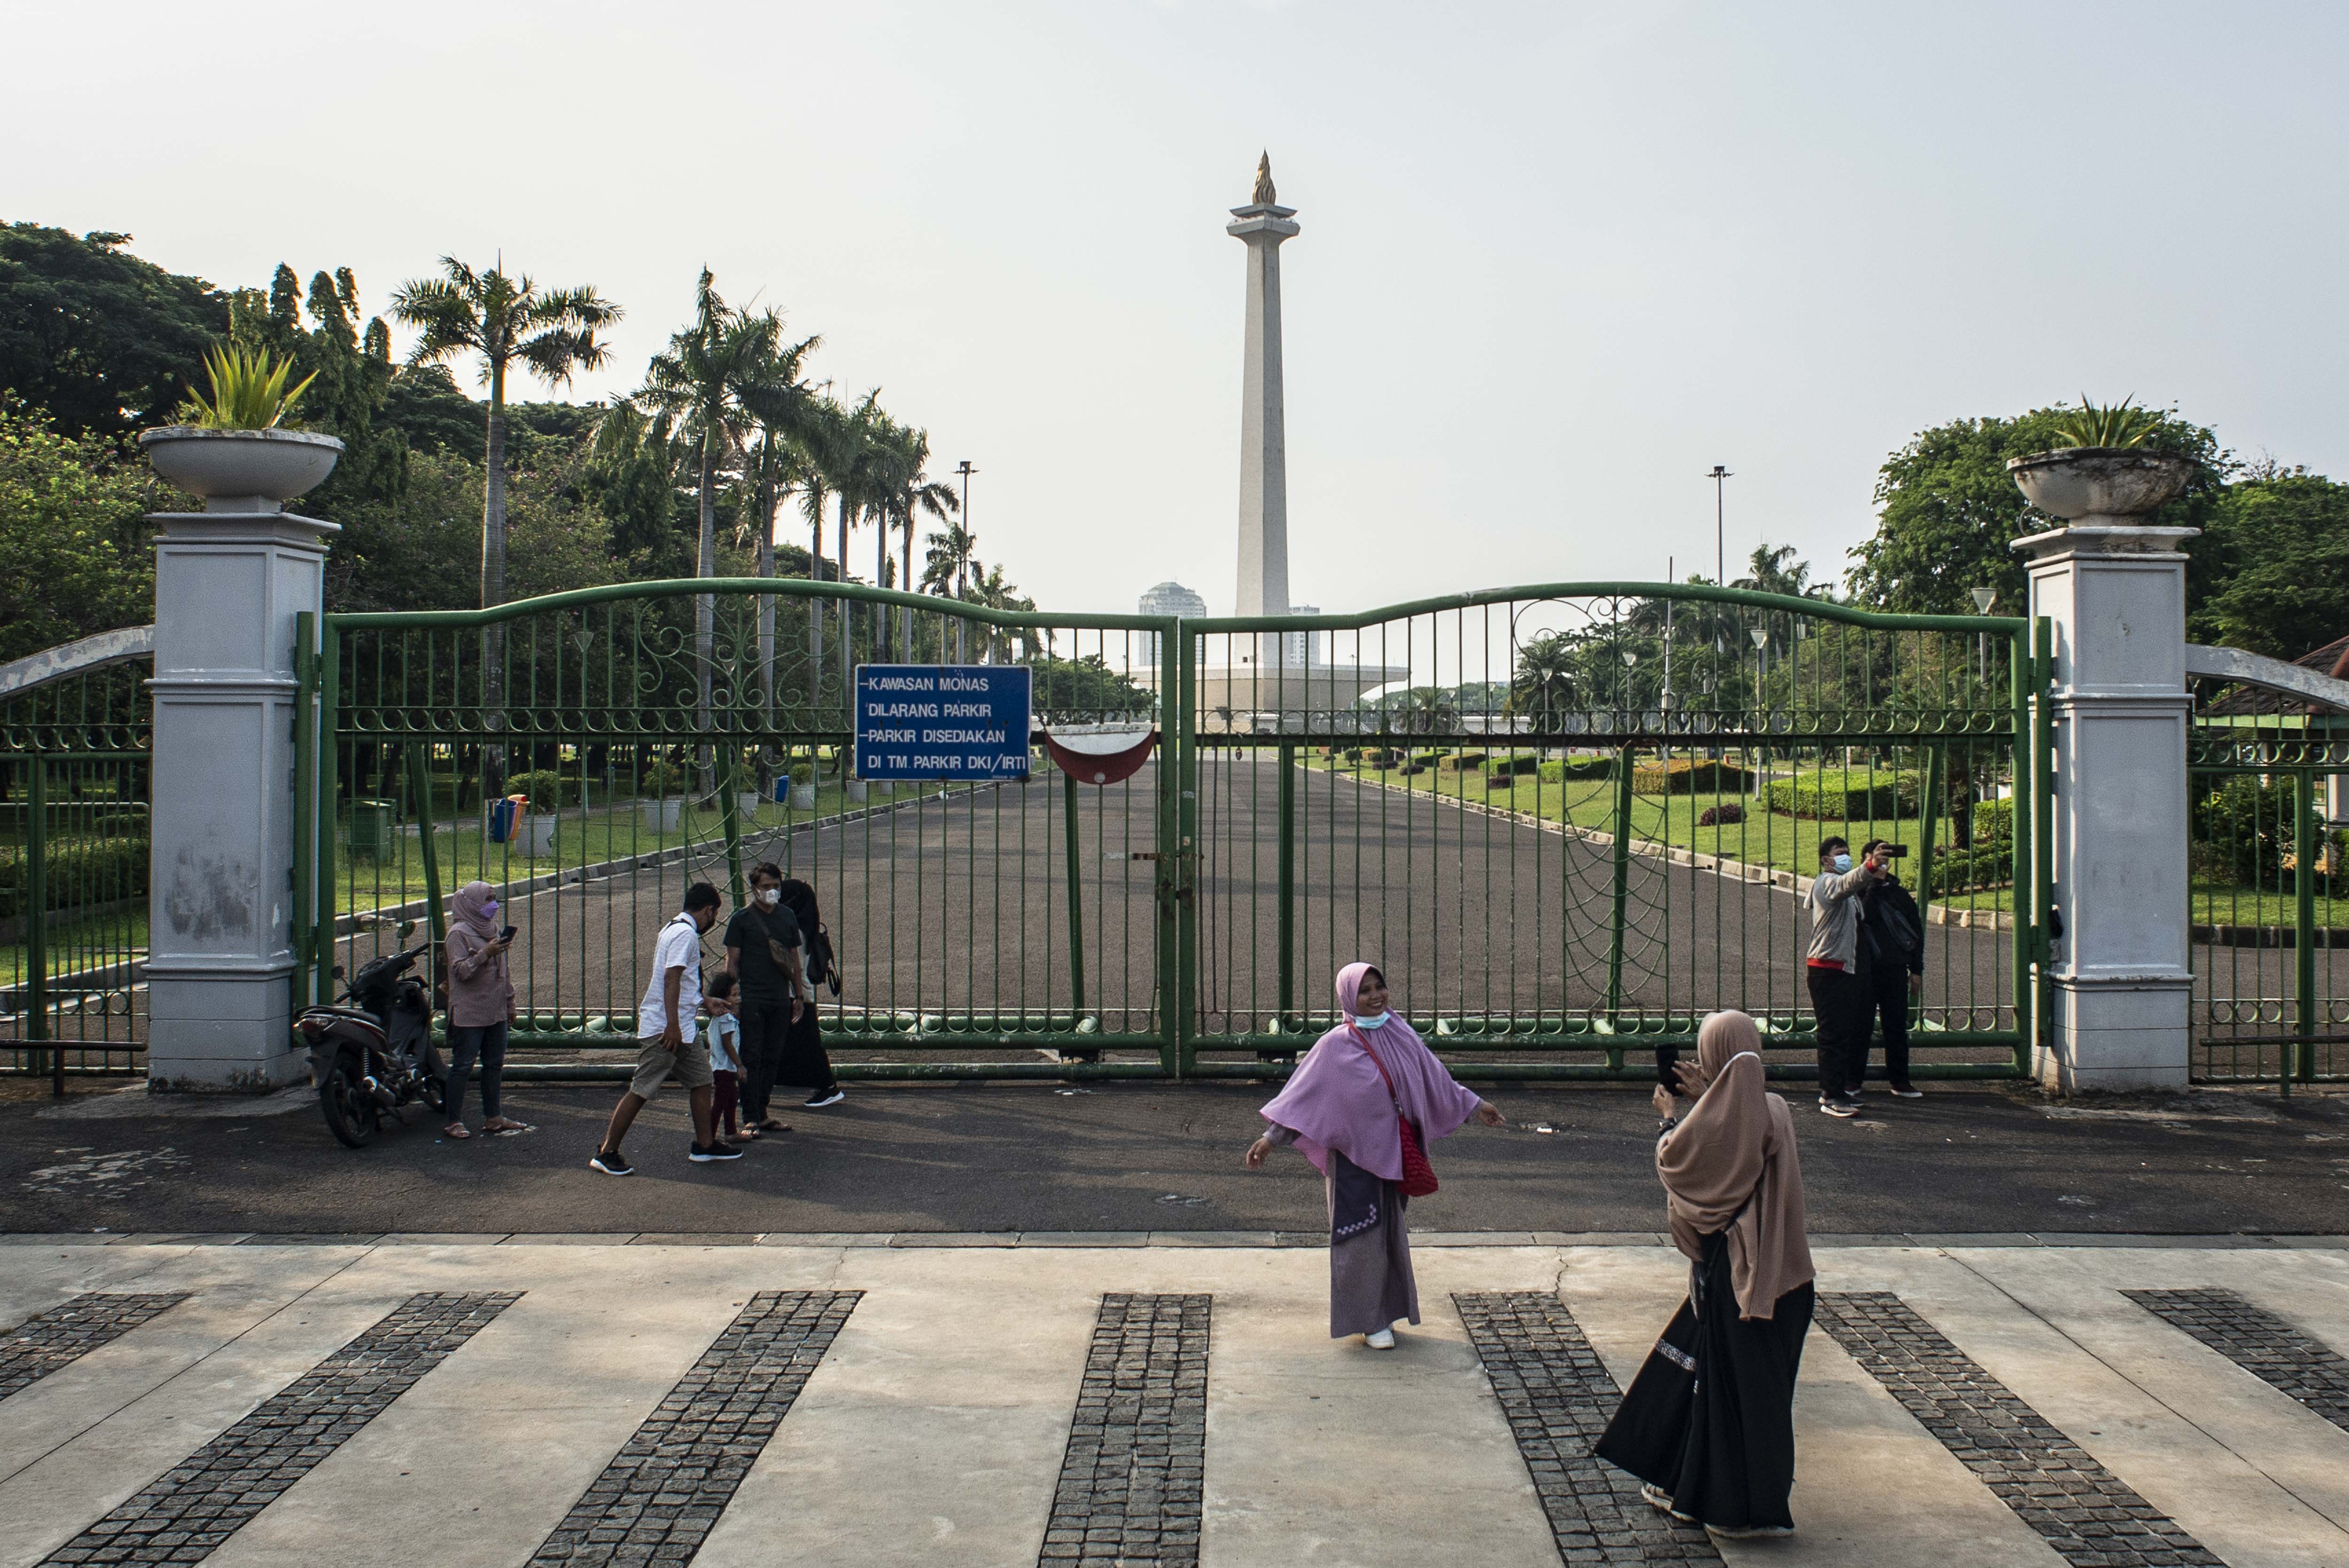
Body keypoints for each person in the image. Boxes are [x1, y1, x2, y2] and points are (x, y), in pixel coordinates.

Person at [1596, 1009, 1816, 1542]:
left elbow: (1680, 1169)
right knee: (1760, 1400)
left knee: (1724, 1399)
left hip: (1737, 1280)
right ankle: (1718, 1495)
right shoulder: (1775, 1110)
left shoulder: (1713, 1124)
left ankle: (1731, 1508)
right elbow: (1734, 1127)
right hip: (1789, 1279)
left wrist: (1671, 1116)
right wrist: (1711, 1094)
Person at [1245, 962, 1506, 1348]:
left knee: (1390, 1235)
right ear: (1349, 996)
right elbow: (1304, 1098)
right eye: (1364, 990)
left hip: (1397, 1154)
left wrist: (1474, 1105)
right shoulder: (1334, 1046)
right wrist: (1271, 1139)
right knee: (1359, 1236)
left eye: (1379, 987)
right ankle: (1369, 1321)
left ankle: (1386, 1312)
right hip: (1354, 1161)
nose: (1375, 996)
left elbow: (1434, 1077)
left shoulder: (1400, 1033)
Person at [590, 883, 740, 1176]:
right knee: (642, 1089)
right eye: (714, 915)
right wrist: (672, 1025)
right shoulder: (686, 934)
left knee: (701, 1081)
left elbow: (681, 984)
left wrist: (705, 1001)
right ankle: (607, 1152)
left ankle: (705, 1145)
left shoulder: (672, 928)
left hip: (681, 1027)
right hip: (667, 1029)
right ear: (709, 910)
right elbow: (672, 979)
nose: (713, 922)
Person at [722, 862, 819, 1134]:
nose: (772, 891)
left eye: (776, 886)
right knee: (751, 1055)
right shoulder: (741, 919)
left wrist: (798, 995)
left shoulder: (787, 916)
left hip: (780, 998)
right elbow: (733, 961)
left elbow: (793, 960)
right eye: (766, 887)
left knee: (773, 1056)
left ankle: (763, 1110)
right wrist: (733, 996)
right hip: (752, 998)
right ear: (754, 889)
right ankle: (750, 1115)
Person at [1798, 834, 1886, 1118]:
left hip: (1843, 968)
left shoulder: (1848, 897)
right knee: (1832, 1035)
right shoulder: (1826, 883)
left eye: (1848, 853)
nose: (1845, 857)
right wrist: (1869, 867)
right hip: (1826, 969)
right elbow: (1845, 884)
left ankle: (1839, 1090)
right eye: (1840, 853)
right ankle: (1831, 1095)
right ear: (1826, 860)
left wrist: (1873, 871)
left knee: (1843, 1033)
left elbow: (1853, 888)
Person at [441, 880, 529, 1139]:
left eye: (494, 898)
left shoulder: (492, 929)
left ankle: (494, 1117)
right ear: (472, 905)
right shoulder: (458, 933)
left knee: (494, 1065)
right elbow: (460, 972)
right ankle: (453, 1121)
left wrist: (510, 1002)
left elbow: (504, 971)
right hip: (469, 1013)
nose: (493, 904)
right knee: (463, 1066)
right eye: (488, 899)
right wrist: (485, 953)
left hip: (495, 1010)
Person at [1853, 838, 1926, 1099]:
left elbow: (1915, 931)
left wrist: (1916, 969)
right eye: (1877, 856)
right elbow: (1865, 915)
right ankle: (1853, 1080)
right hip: (1865, 969)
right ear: (1867, 860)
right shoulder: (1857, 890)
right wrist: (1874, 882)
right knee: (1859, 1026)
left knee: (1896, 1027)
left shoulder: (1899, 893)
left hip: (1895, 969)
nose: (1883, 861)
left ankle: (1900, 1080)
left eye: (1886, 856)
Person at [705, 972, 744, 1141]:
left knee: (731, 1099)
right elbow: (728, 1044)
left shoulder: (719, 1017)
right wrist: (739, 1065)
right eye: (734, 995)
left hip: (720, 1065)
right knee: (720, 1103)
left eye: (738, 995)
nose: (738, 999)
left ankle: (731, 1131)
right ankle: (709, 1136)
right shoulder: (726, 1018)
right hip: (725, 1067)